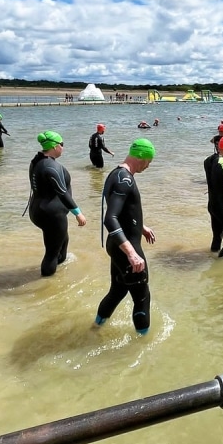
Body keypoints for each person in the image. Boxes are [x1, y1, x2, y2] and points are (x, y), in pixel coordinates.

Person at [94, 139, 157, 334]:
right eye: (148, 161)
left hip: (115, 244)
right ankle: (143, 345)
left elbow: (121, 211)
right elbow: (110, 218)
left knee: (118, 290)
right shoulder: (126, 180)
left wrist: (140, 226)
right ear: (141, 157)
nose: (148, 166)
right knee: (142, 297)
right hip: (125, 247)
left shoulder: (116, 174)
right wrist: (131, 253)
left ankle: (96, 327)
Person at [27, 131, 87, 276]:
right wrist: (78, 213)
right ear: (54, 147)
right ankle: (46, 283)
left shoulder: (37, 161)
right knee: (51, 253)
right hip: (52, 215)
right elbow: (62, 192)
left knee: (63, 241)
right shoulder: (51, 166)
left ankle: (58, 276)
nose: (63, 147)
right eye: (62, 144)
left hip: (38, 210)